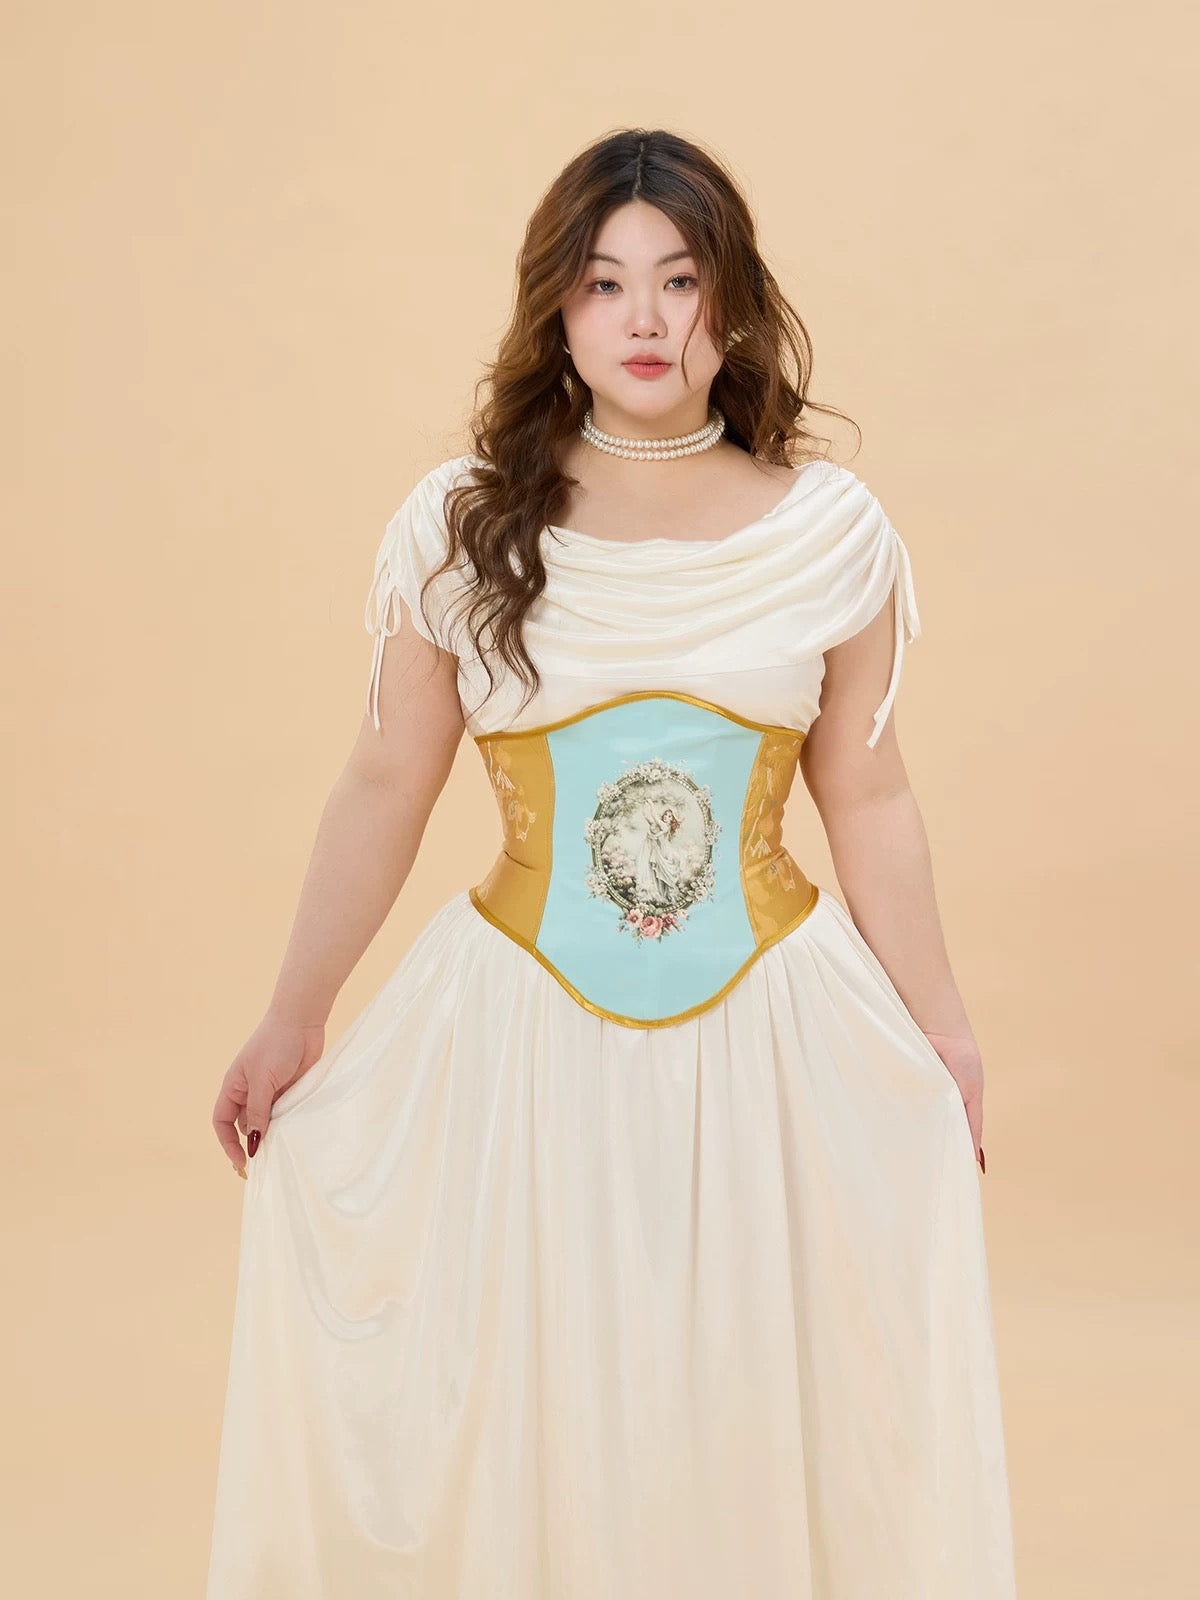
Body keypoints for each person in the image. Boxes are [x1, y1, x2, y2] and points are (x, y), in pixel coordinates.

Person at [207, 127, 1018, 1599]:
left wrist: (945, 1028)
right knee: (539, 1396)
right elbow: (388, 776)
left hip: (772, 1040)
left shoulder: (829, 531)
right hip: (520, 1041)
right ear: (557, 309)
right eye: (602, 283)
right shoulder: (462, 523)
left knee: (747, 1397)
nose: (644, 319)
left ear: (734, 304)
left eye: (679, 280)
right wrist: (292, 1014)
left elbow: (870, 792)